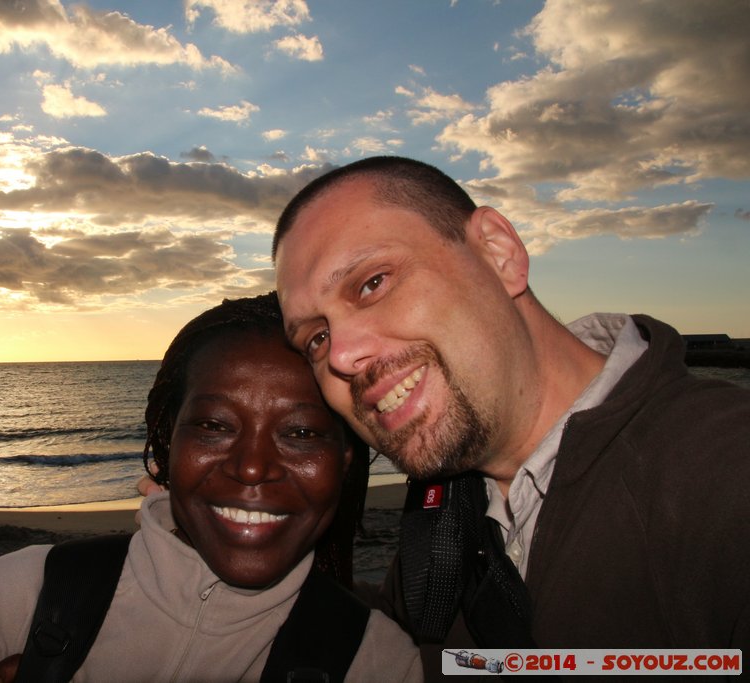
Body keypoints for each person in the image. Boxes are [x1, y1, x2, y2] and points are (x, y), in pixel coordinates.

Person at [272, 156, 750, 674]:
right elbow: (416, 650)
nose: (341, 356)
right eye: (316, 338)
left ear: (499, 253)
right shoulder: (447, 503)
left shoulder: (724, 480)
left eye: (372, 283)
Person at [0, 293, 423, 683]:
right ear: (168, 442)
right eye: (214, 426)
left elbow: (500, 661)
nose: (252, 468)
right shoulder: (18, 596)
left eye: (301, 433)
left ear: (345, 458)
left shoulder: (376, 660)